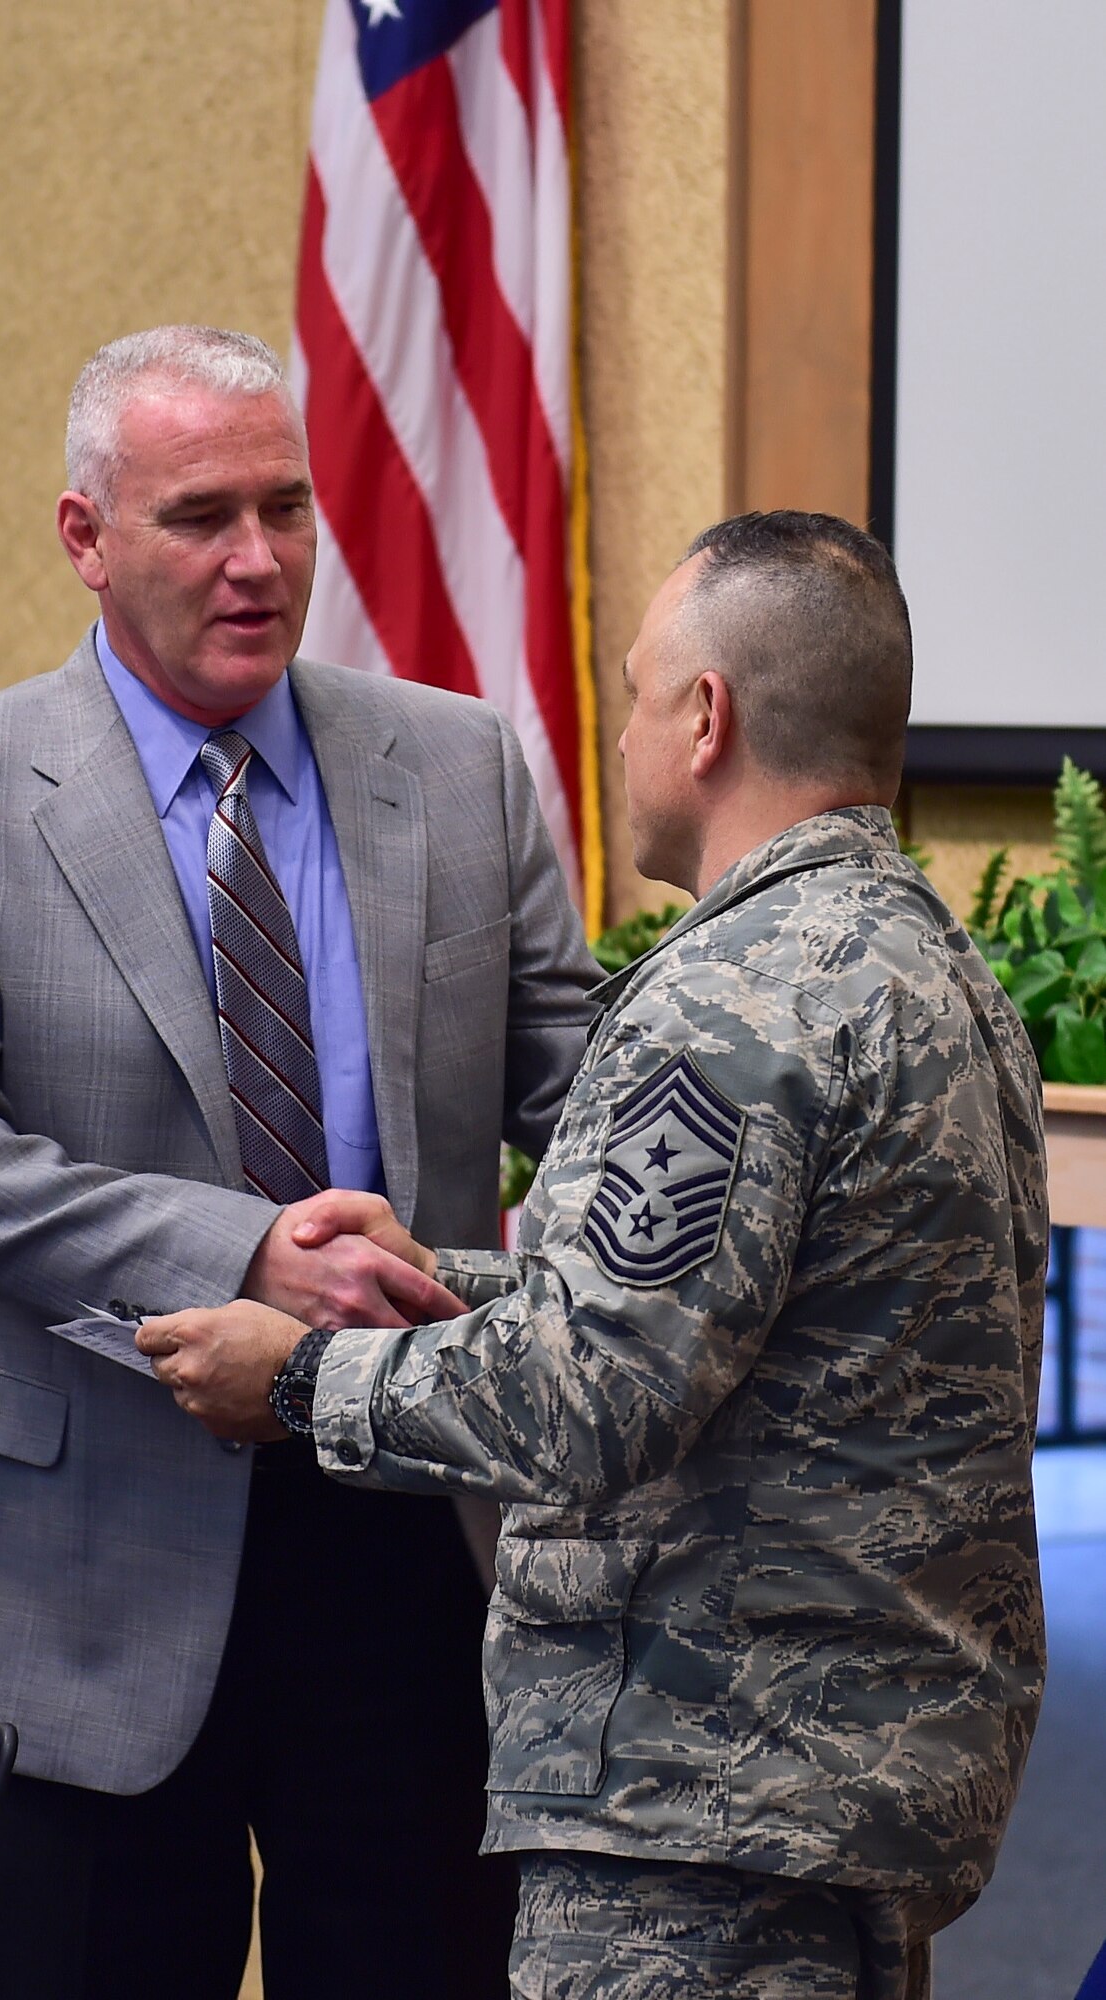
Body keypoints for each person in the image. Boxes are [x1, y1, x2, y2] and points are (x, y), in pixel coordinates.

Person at [139, 510, 1049, 2000]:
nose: (618, 735)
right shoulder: (927, 966)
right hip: (847, 1788)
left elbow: (591, 1401)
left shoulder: (730, 1002)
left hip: (701, 1818)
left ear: (708, 718)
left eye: (634, 691)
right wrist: (442, 1275)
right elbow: (741, 1320)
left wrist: (304, 1378)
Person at [0, 325, 601, 2000]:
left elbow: (584, 1080)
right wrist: (236, 1252)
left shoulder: (454, 764)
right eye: (198, 518)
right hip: (84, 1572)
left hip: (411, 1540)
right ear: (85, 537)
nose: (258, 562)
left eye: (286, 507)